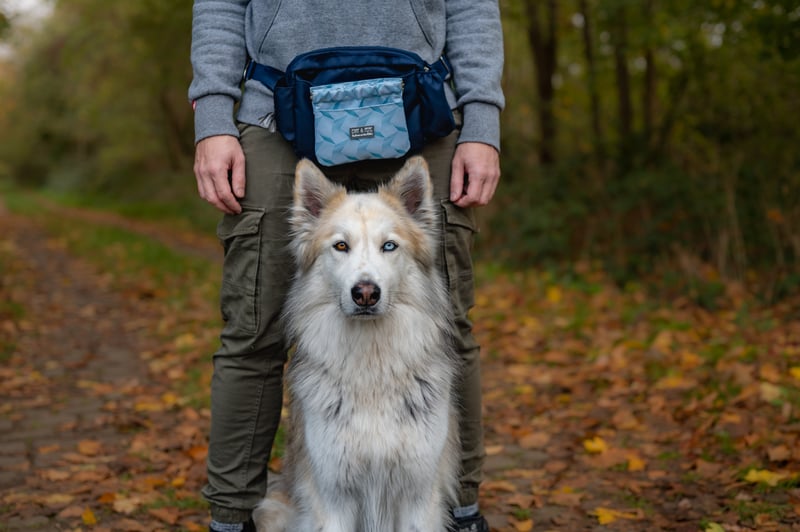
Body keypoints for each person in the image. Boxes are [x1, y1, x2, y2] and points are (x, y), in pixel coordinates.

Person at [189, 2, 504, 531]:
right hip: (276, 107)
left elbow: (472, 5)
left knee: (448, 326)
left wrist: (483, 122)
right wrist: (214, 118)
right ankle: (230, 517)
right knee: (252, 330)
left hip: (423, 106)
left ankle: (456, 511)